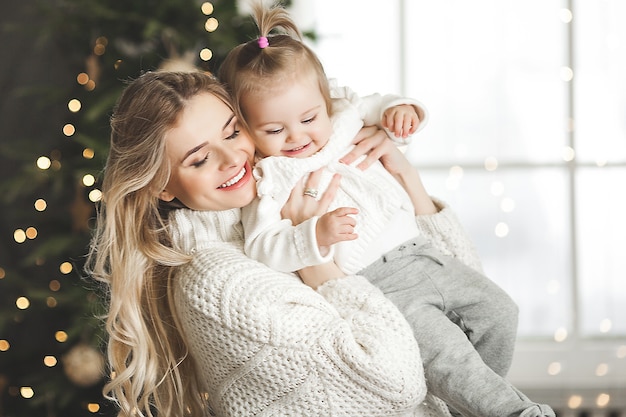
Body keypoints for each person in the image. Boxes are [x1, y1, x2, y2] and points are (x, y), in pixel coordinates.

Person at [218, 3, 556, 417]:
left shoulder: (344, 118)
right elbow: (263, 245)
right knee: (449, 356)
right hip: (377, 281)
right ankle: (513, 411)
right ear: (248, 129)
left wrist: (403, 111)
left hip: (423, 252)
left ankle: (475, 405)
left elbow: (381, 104)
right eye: (274, 130)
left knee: (499, 312)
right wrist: (313, 235)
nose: (297, 136)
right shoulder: (272, 177)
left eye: (309, 117)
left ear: (326, 102)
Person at [86, 70, 474, 417]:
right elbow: (397, 383)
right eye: (200, 159)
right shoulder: (219, 281)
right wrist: (310, 250)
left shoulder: (283, 192)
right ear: (160, 184)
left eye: (233, 131)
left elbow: (467, 305)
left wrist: (402, 175)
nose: (232, 158)